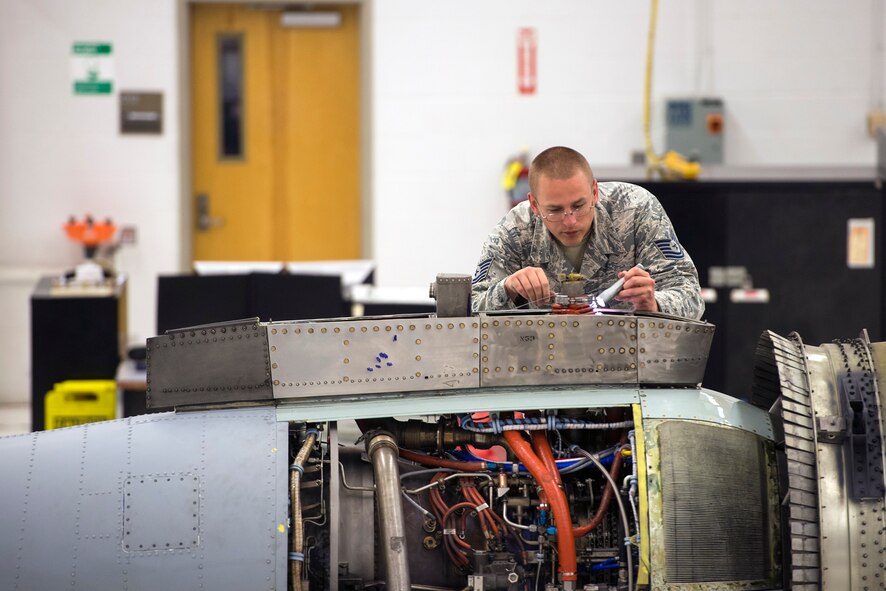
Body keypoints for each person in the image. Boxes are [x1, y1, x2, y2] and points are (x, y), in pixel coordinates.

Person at [471, 146, 703, 319]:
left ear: (594, 192)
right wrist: (507, 289)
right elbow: (471, 312)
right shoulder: (514, 231)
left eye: (579, 206)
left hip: (629, 368)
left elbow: (691, 296)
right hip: (541, 369)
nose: (570, 220)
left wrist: (655, 303)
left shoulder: (636, 211)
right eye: (555, 210)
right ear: (534, 204)